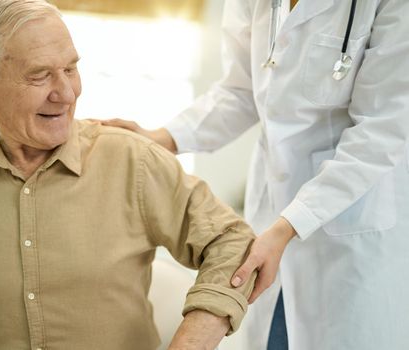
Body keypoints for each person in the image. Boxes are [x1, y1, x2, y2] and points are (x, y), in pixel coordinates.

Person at [0, 1, 259, 349]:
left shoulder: (131, 159)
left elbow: (233, 242)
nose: (65, 93)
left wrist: (190, 343)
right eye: (40, 75)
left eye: (70, 69)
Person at [102, 0, 409, 349]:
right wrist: (163, 138)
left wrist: (286, 227)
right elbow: (240, 92)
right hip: (272, 222)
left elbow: (380, 133)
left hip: (351, 235)